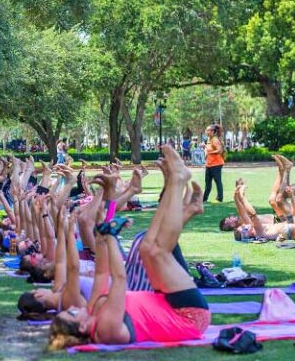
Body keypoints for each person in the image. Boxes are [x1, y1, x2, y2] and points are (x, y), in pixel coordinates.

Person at [48, 146, 209, 349]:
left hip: (166, 302)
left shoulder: (91, 310)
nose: (73, 307)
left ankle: (174, 184)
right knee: (155, 250)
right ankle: (176, 182)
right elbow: (117, 278)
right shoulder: (104, 326)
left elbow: (101, 272)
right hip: (187, 315)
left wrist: (106, 217)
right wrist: (110, 235)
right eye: (71, 313)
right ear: (80, 328)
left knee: (148, 247)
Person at [202, 124, 225, 203]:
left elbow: (219, 150)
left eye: (208, 130)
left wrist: (209, 152)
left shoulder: (215, 139)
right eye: (206, 130)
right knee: (207, 182)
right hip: (209, 164)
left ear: (213, 132)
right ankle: (204, 199)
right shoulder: (209, 139)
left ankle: (219, 198)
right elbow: (208, 149)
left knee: (217, 181)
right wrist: (205, 151)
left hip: (216, 164)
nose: (207, 132)